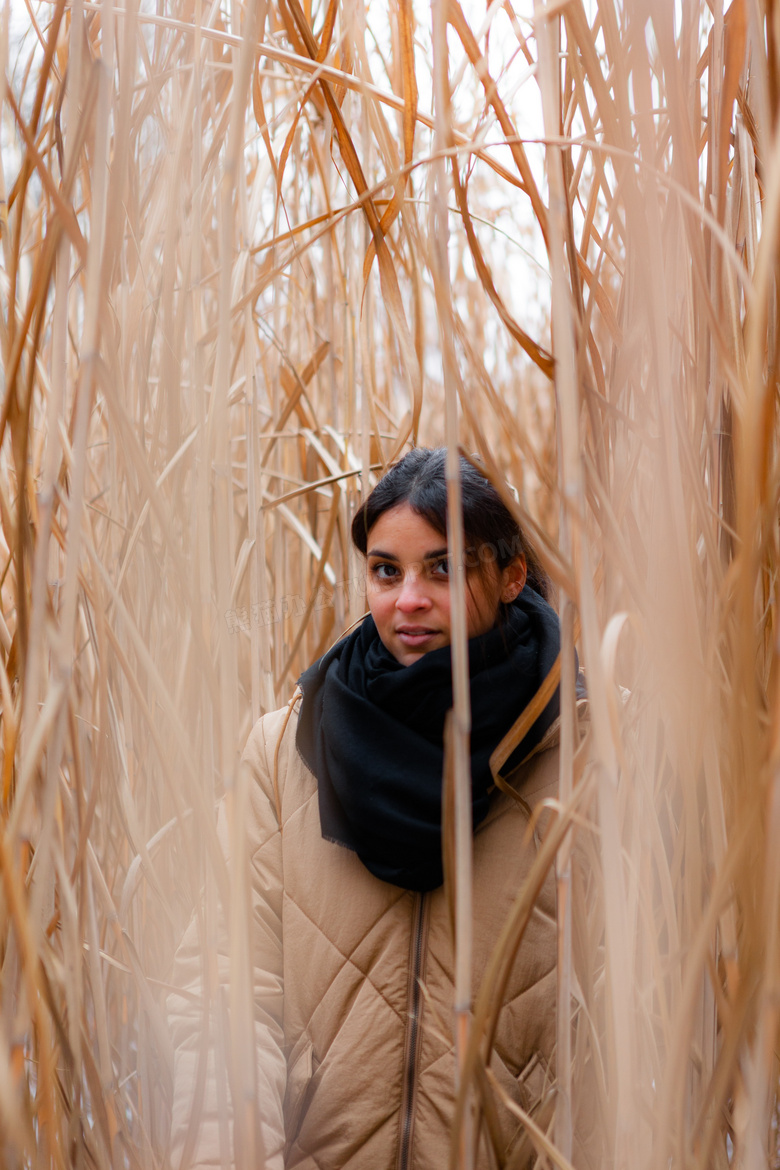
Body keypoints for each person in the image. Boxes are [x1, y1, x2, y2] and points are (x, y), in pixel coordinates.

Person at [168, 447, 593, 1170]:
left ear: (513, 575)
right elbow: (224, 995)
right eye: (386, 571)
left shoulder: (579, 758)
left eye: (443, 569)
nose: (408, 600)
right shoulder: (287, 752)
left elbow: (626, 1025)